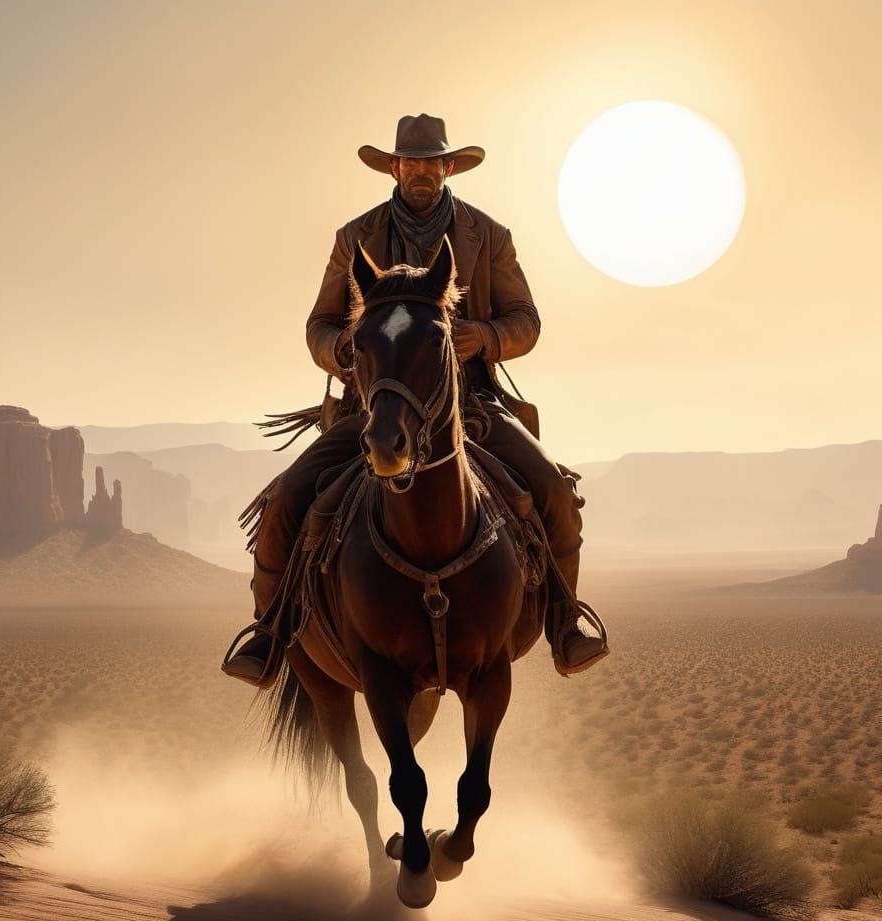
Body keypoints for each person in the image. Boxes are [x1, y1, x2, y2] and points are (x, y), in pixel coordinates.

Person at [223, 113, 608, 683]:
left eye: (432, 162)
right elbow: (320, 326)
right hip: (375, 410)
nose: (420, 171)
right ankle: (270, 634)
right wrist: (348, 350)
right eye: (410, 162)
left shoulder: (489, 235)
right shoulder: (355, 237)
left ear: (449, 167)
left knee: (551, 492)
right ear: (395, 168)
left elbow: (526, 319)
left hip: (467, 407)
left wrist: (490, 338)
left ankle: (564, 623)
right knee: (285, 504)